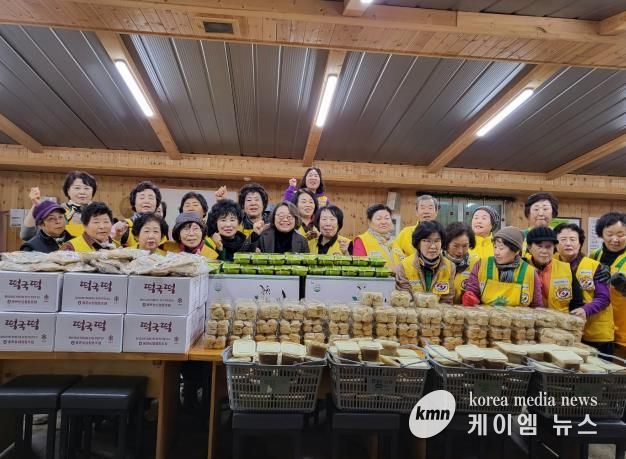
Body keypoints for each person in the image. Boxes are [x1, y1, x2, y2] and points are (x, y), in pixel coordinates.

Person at [554, 223, 613, 354]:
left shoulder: (596, 266)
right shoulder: (550, 263)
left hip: (595, 333)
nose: (568, 243)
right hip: (561, 331)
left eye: (572, 239)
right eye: (563, 239)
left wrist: (585, 310)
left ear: (580, 243)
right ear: (555, 244)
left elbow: (604, 298)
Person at [462, 226, 543, 307]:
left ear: (516, 251)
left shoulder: (530, 273)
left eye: (501, 248)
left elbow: (537, 306)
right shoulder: (481, 265)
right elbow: (472, 291)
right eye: (495, 247)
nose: (496, 252)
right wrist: (471, 298)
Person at [21, 171, 97, 240]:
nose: (82, 192)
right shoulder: (57, 211)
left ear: (93, 191)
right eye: (77, 188)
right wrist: (36, 205)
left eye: (86, 188)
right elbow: (27, 235)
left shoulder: (100, 212)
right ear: (68, 190)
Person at [590, 212, 626, 356]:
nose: (615, 239)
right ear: (601, 234)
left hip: (623, 328)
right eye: (609, 234)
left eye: (621, 235)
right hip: (599, 328)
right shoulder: (594, 255)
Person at [396, 221, 456, 304]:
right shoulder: (405, 265)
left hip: (438, 311)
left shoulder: (450, 266)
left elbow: (447, 300)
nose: (433, 246)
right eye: (427, 241)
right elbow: (403, 300)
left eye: (437, 241)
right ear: (418, 243)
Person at [525, 227, 574, 311]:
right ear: (529, 248)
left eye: (548, 247)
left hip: (559, 318)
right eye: (539, 246)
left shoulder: (566, 269)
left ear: (554, 248)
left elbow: (576, 303)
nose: (544, 251)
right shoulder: (521, 268)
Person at [242, 201, 309, 254]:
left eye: (289, 216)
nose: (285, 220)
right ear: (273, 218)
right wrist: (255, 234)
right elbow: (243, 254)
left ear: (295, 219)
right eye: (281, 216)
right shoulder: (262, 236)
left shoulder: (302, 240)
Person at [111, 181, 163, 247]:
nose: (146, 201)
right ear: (134, 203)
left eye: (151, 198)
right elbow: (108, 249)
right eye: (142, 198)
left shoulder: (161, 227)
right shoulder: (123, 225)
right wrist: (117, 237)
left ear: (156, 204)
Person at [353, 204, 402, 269]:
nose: (383, 222)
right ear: (369, 222)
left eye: (387, 218)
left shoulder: (394, 241)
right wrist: (389, 269)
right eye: (378, 219)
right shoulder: (361, 240)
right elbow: (360, 267)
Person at [393, 194, 439, 261]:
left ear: (436, 212)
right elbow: (395, 251)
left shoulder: (442, 234)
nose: (426, 211)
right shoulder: (405, 232)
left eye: (430, 208)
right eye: (422, 208)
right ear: (416, 212)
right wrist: (406, 263)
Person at [444, 222, 478, 304]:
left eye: (465, 246)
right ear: (446, 243)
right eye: (455, 246)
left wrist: (474, 297)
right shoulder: (437, 262)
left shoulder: (475, 263)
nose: (460, 251)